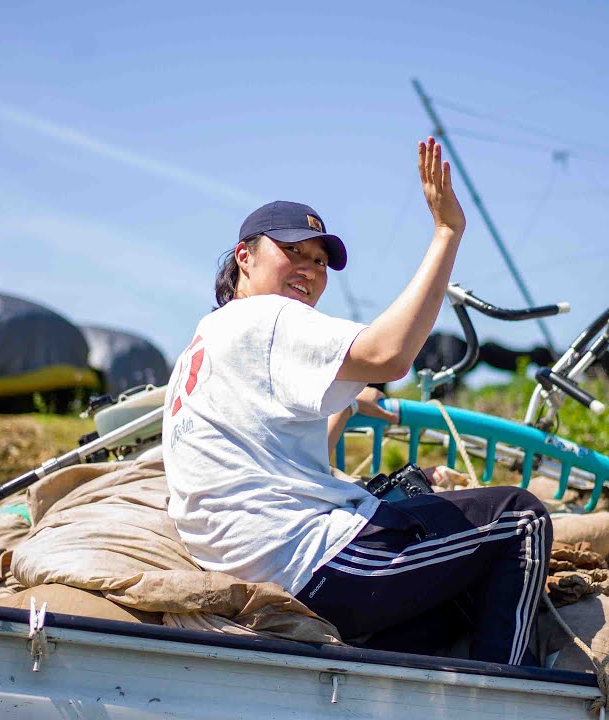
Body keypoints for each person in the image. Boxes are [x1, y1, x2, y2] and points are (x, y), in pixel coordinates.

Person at [162, 138, 552, 664]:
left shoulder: (204, 342)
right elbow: (391, 356)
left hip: (255, 559)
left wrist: (342, 405)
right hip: (308, 563)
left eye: (320, 260)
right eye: (292, 251)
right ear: (245, 257)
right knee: (518, 517)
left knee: (455, 601)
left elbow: (282, 466)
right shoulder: (268, 316)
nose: (309, 268)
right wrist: (447, 232)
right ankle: (511, 699)